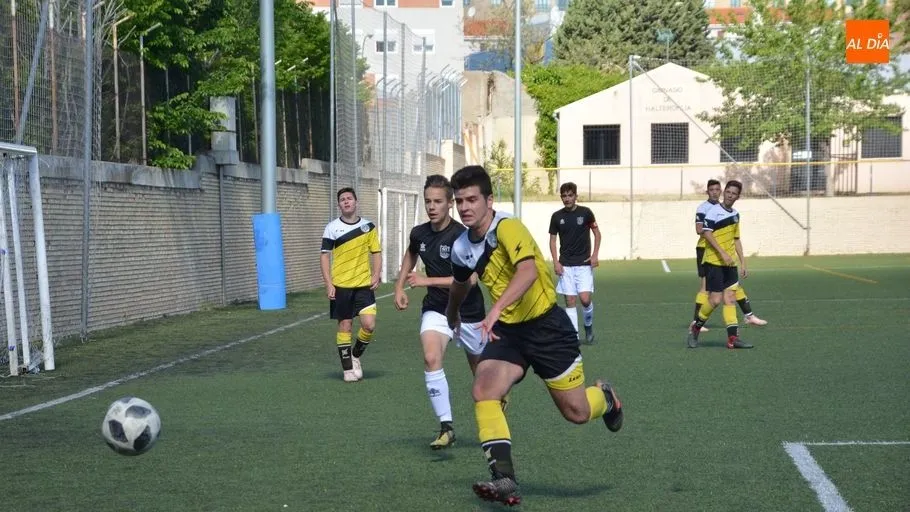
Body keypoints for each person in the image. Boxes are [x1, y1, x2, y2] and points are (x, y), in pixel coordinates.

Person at [445, 165, 623, 506]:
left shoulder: (509, 227)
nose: (464, 207)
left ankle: (607, 397)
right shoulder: (461, 247)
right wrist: (451, 317)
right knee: (484, 389)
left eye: (471, 199)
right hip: (509, 333)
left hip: (547, 328)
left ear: (488, 200)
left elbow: (527, 271)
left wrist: (494, 310)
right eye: (459, 201)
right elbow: (459, 284)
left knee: (577, 413)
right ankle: (504, 479)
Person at [394, 174, 492, 450]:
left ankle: (493, 418)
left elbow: (471, 279)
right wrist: (400, 285)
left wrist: (426, 281)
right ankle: (446, 427)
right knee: (430, 355)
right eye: (428, 201)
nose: (432, 207)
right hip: (437, 309)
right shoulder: (420, 233)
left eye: (438, 201)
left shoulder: (463, 235)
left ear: (450, 203)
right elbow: (412, 253)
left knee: (483, 378)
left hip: (469, 311)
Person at [320, 187, 381, 382]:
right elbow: (324, 256)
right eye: (342, 199)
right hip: (341, 286)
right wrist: (329, 283)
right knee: (345, 326)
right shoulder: (331, 228)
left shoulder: (368, 227)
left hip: (363, 285)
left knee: (369, 325)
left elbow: (376, 252)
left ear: (356, 201)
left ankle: (356, 356)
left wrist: (377, 274)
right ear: (339, 205)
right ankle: (347, 370)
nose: (346, 202)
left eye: (349, 198)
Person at [692, 180, 767, 333]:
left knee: (731, 291)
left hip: (727, 256)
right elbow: (701, 230)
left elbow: (736, 238)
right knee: (710, 292)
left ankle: (745, 318)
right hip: (707, 252)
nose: (715, 192)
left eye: (717, 189)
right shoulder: (706, 209)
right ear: (707, 191)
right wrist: (714, 229)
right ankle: (696, 322)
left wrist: (743, 262)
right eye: (712, 189)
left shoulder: (733, 213)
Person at [548, 182, 601, 344]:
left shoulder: (586, 213)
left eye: (570, 195)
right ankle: (574, 336)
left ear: (576, 196)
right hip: (566, 265)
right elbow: (552, 240)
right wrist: (556, 262)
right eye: (564, 196)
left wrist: (595, 255)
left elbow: (597, 234)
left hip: (584, 264)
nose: (567, 199)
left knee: (585, 299)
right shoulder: (556, 217)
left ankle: (588, 326)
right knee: (570, 301)